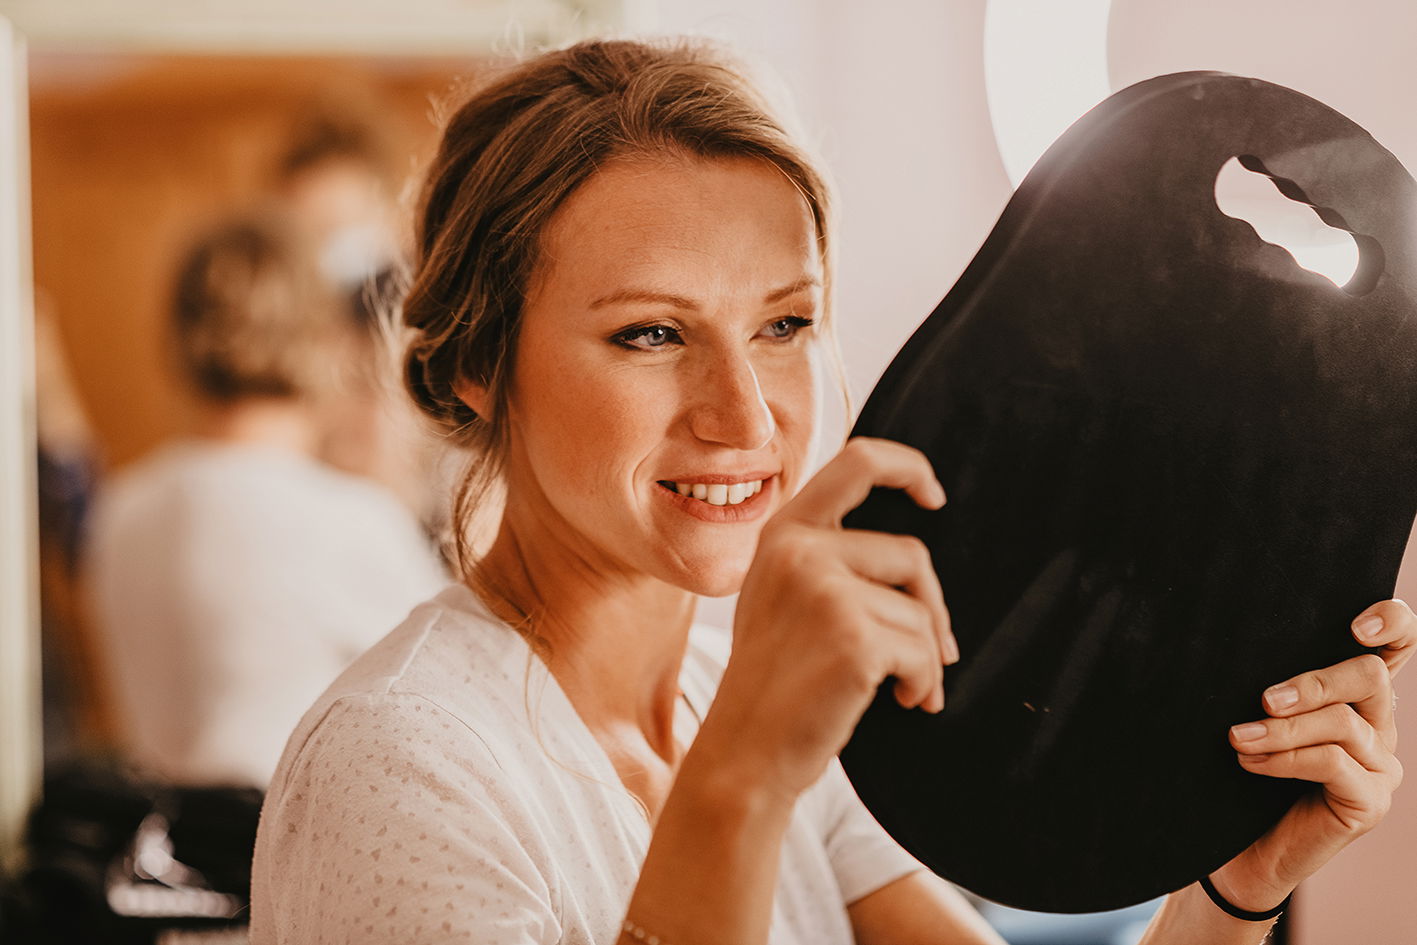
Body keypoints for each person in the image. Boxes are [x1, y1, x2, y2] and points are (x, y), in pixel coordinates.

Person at [249, 38, 1409, 945]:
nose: (747, 418)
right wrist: (745, 767)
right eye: (651, 333)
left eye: (786, 324)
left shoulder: (734, 683)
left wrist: (1238, 884)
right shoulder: (397, 766)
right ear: (476, 362)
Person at [85, 215, 447, 789]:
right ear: (320, 337)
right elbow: (459, 702)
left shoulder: (120, 509)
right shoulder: (350, 520)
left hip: (158, 852)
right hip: (284, 853)